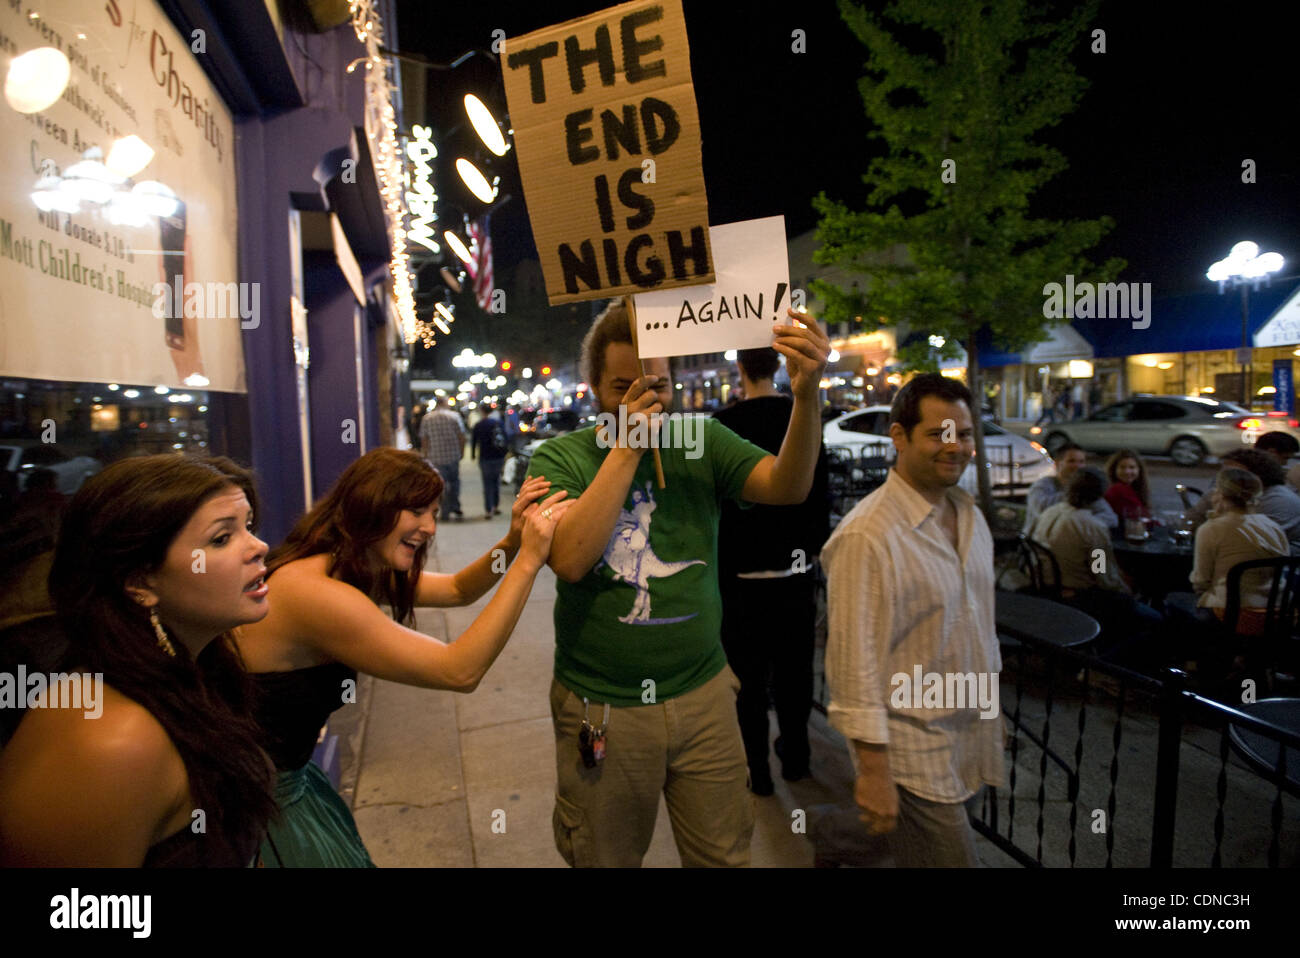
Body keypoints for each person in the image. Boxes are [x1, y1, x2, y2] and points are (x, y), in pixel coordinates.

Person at [526, 300, 829, 867]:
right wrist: (628, 447)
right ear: (593, 386)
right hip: (603, 707)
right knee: (604, 854)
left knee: (724, 854)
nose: (645, 399)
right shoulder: (559, 457)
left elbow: (787, 486)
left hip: (704, 695)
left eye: (657, 385)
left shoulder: (702, 439)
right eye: (624, 386)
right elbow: (569, 559)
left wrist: (807, 395)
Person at [234, 449, 570, 867]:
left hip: (289, 788)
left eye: (433, 512)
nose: (429, 528)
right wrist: (531, 562)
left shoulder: (346, 564)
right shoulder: (315, 592)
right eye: (416, 510)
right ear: (370, 504)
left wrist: (513, 542)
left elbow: (457, 591)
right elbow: (459, 670)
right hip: (262, 810)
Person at [0, 456, 277, 866]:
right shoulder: (113, 740)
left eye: (248, 526)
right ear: (140, 583)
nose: (259, 547)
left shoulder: (194, 667)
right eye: (221, 539)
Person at [823, 373, 1004, 867]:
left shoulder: (970, 515)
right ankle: (830, 836)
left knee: (894, 847)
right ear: (899, 438)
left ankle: (832, 839)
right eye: (939, 434)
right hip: (913, 754)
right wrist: (874, 773)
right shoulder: (868, 536)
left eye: (965, 434)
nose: (956, 447)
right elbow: (852, 666)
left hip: (969, 742)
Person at [713, 347, 830, 795]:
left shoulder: (721, 426)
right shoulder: (802, 417)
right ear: (778, 366)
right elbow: (818, 495)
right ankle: (797, 758)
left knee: (747, 683)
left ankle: (757, 770)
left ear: (739, 367)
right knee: (794, 675)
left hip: (739, 580)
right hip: (793, 575)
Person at [1029, 467, 1162, 663]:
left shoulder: (1050, 513)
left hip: (1046, 588)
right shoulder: (1092, 527)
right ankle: (1106, 665)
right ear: (1099, 495)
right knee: (1154, 621)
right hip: (1079, 595)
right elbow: (1102, 573)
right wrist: (1127, 590)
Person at [1165, 469, 1288, 673]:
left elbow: (1200, 582)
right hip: (1278, 613)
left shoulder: (1212, 529)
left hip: (1233, 615)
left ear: (1220, 494)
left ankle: (1191, 666)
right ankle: (1237, 660)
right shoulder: (1273, 527)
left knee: (1173, 600)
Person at [1022, 442, 1117, 533]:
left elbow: (1110, 518)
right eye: (1071, 461)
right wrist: (1074, 495)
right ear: (1058, 463)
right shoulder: (1042, 486)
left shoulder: (1086, 490)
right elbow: (1041, 510)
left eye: (1081, 461)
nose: (1078, 466)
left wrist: (1083, 522)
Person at [420, 396, 466, 520]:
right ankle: (455, 505)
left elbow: (424, 439)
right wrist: (462, 452)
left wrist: (425, 454)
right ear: (445, 403)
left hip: (435, 457)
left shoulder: (427, 418)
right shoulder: (454, 416)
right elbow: (461, 436)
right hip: (452, 455)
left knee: (441, 485)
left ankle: (444, 510)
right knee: (455, 482)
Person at [471, 405, 509, 519]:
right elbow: (506, 438)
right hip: (498, 457)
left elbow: (474, 441)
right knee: (496, 481)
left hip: (485, 457)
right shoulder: (498, 423)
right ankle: (496, 506)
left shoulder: (479, 425)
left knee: (487, 483)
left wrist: (473, 454)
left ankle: (489, 509)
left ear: (482, 411)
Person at [1104, 448, 1153, 523]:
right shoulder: (1119, 489)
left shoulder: (1132, 488)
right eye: (1122, 467)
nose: (1127, 471)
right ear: (1114, 470)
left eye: (1132, 467)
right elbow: (1141, 517)